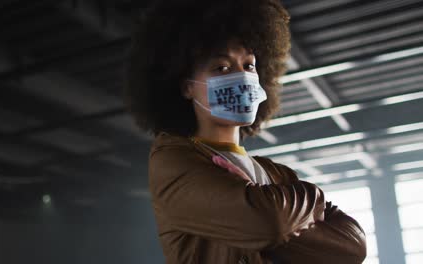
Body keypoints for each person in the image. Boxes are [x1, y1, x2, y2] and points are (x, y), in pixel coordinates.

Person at [124, 0, 367, 263]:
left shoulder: (277, 173)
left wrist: (274, 221)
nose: (241, 77)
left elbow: (352, 249)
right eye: (222, 67)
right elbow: (269, 222)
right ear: (186, 87)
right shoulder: (173, 160)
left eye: (249, 65)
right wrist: (313, 196)